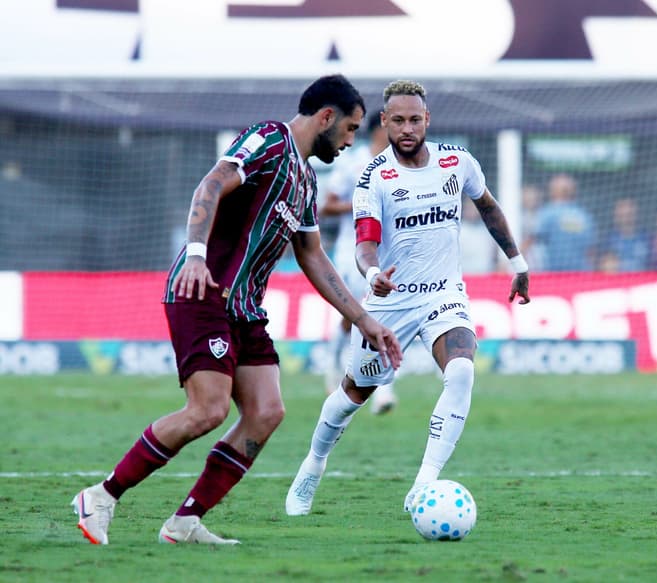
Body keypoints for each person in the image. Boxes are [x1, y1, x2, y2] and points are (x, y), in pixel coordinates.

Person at [71, 74, 402, 545]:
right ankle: (101, 496)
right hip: (203, 291)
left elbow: (312, 256)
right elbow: (210, 185)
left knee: (266, 412)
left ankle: (184, 522)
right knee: (206, 411)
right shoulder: (269, 139)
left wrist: (367, 321)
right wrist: (195, 255)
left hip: (245, 310)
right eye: (349, 129)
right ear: (326, 117)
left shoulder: (306, 180)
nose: (352, 140)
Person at [284, 79, 531, 517]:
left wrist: (517, 262)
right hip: (391, 303)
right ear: (384, 122)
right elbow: (365, 242)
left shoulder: (458, 162)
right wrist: (374, 273)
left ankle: (423, 486)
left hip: (444, 295)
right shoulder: (374, 176)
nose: (407, 128)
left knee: (461, 372)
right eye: (397, 120)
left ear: (427, 120)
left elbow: (489, 207)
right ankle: (313, 465)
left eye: (415, 119)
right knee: (350, 397)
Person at [320, 110, 397, 413]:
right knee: (355, 316)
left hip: (388, 252)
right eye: (395, 122)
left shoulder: (399, 162)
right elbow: (326, 206)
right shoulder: (354, 163)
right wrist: (362, 205)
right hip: (352, 252)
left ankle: (383, 389)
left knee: (383, 314)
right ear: (382, 127)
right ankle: (333, 364)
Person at [532, 172, 596, 271]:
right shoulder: (584, 215)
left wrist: (510, 262)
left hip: (554, 275)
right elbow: (591, 251)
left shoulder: (548, 213)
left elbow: (530, 239)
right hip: (580, 274)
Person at [602, 197, 649, 272]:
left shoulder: (646, 238)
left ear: (636, 211)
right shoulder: (608, 240)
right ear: (616, 213)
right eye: (621, 207)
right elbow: (604, 267)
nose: (626, 211)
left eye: (629, 207)